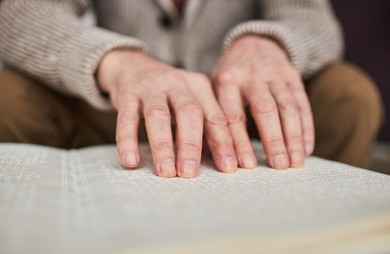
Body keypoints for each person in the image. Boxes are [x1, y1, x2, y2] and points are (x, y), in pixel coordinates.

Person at [0, 0, 383, 178]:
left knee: (348, 92)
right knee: (7, 96)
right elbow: (20, 12)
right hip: (119, 113)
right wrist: (117, 62)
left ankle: (328, 251)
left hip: (243, 119)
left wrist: (269, 44)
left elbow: (312, 17)